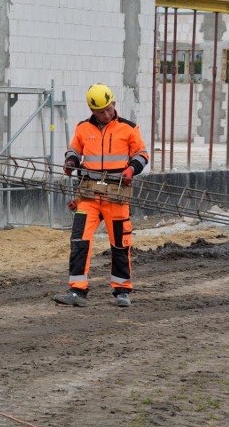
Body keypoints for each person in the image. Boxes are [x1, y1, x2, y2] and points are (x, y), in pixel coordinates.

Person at [54, 84, 149, 308]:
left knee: (120, 244)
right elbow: (74, 151)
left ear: (113, 104)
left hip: (116, 195)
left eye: (109, 109)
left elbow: (142, 154)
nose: (106, 115)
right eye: (101, 112)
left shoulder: (129, 128)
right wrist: (70, 162)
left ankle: (122, 290)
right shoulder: (82, 128)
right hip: (88, 195)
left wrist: (131, 169)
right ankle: (77, 292)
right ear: (92, 110)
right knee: (79, 240)